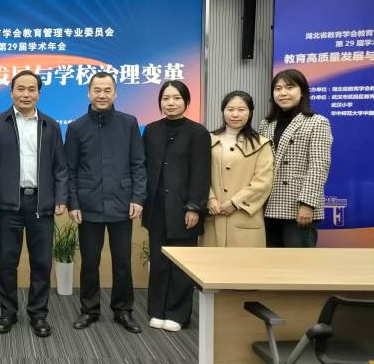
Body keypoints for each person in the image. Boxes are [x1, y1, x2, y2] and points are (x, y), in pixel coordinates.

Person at [0, 70, 68, 338]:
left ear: (39, 93)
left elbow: (60, 167)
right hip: (9, 204)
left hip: (42, 204)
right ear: (11, 92)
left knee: (41, 263)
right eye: (20, 89)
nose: (26, 94)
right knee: (8, 262)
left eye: (31, 89)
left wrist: (61, 198)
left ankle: (38, 314)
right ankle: (7, 312)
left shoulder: (50, 125)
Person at [65, 72, 146, 333]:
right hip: (88, 205)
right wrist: (73, 203)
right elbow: (70, 170)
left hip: (122, 204)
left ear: (115, 93)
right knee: (90, 261)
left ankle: (123, 311)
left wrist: (137, 197)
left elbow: (138, 164)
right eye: (97, 90)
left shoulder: (128, 123)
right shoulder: (76, 127)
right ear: (89, 93)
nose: (102, 95)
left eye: (107, 90)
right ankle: (89, 310)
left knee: (122, 261)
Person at [142, 80, 210, 332]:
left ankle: (178, 314)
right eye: (166, 98)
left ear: (187, 102)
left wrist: (194, 207)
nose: (170, 103)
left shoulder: (198, 133)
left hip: (183, 209)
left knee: (182, 263)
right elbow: (143, 167)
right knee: (159, 261)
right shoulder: (151, 130)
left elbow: (201, 173)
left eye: (177, 98)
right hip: (156, 208)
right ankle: (157, 310)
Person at [259, 69, 332, 247]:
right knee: (269, 261)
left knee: (298, 261)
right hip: (268, 205)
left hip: (298, 207)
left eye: (290, 87)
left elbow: (319, 166)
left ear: (302, 92)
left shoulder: (317, 122)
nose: (283, 93)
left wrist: (307, 204)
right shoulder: (266, 124)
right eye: (278, 89)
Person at [202, 91, 273, 247]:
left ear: (250, 112)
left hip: (245, 218)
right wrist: (210, 198)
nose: (235, 114)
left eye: (241, 110)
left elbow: (263, 183)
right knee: (211, 261)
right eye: (230, 109)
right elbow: (199, 174)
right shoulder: (207, 139)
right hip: (213, 215)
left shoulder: (261, 144)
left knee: (244, 262)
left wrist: (235, 203)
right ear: (223, 111)